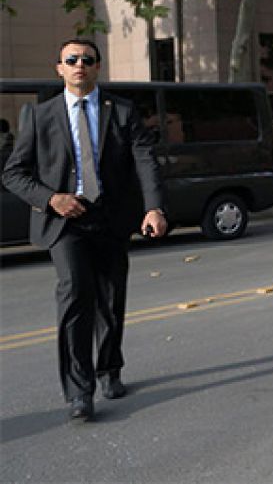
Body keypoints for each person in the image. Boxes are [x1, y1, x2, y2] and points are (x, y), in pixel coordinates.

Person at [2, 39, 168, 423]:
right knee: (76, 294)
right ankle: (79, 391)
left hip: (110, 217)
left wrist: (154, 207)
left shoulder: (122, 111)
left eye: (87, 60)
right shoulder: (39, 116)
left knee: (110, 299)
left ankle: (109, 369)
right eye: (71, 60)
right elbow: (13, 173)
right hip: (64, 222)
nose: (80, 65)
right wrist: (51, 199)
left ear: (97, 67)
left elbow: (145, 159)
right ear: (59, 68)